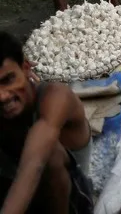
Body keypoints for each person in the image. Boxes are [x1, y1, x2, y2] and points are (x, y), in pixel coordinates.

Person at [0, 32, 94, 213]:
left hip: (68, 202)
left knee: (50, 152)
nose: (2, 96)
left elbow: (34, 163)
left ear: (26, 68)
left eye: (8, 80)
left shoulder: (56, 97)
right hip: (14, 192)